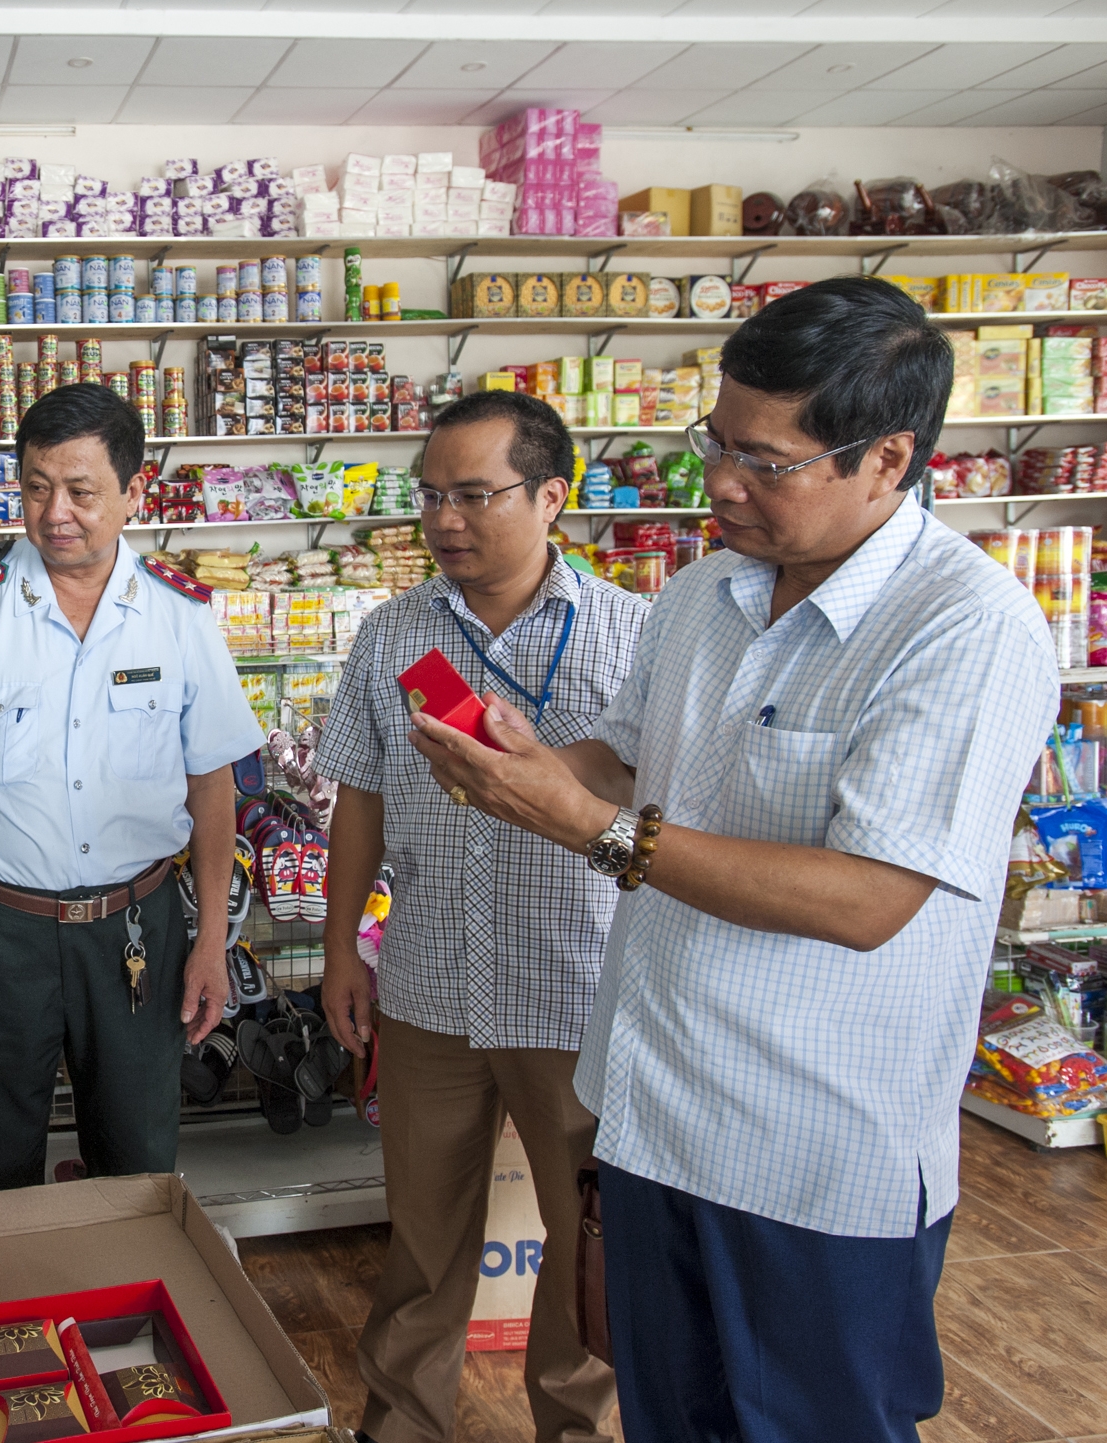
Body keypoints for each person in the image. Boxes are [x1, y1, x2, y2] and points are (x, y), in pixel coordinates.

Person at [410, 276, 1060, 1442]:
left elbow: (870, 898)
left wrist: (588, 826)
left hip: (812, 1150)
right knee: (667, 1415)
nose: (720, 483)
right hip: (657, 1112)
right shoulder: (705, 592)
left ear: (886, 459)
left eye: (766, 462)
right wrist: (537, 766)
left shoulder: (965, 629)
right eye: (716, 442)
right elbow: (622, 755)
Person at [0, 383, 265, 1190]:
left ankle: (113, 1314)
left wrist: (210, 940)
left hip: (133, 931)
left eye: (80, 490)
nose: (54, 511)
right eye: (35, 487)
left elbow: (212, 787)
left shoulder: (179, 618)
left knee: (135, 1159)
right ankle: (2, 1320)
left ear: (133, 494)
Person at [319, 390, 641, 1443]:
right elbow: (357, 800)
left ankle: (574, 1427)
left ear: (551, 495)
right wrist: (339, 953)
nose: (444, 518)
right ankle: (403, 1422)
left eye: (473, 494)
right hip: (428, 985)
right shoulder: (393, 637)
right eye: (429, 496)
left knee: (583, 1238)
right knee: (423, 1239)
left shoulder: (636, 634)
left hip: (578, 989)